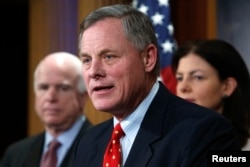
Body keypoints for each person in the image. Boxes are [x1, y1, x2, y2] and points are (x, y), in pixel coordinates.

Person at [73, 4, 240, 167]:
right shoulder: (87, 142)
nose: (93, 71)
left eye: (109, 56)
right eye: (86, 60)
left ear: (148, 58)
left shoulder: (205, 132)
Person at [0, 52, 93, 167]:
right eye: (43, 87)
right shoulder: (15, 154)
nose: (51, 97)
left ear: (83, 97)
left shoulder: (103, 148)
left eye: (63, 88)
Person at [171, 39, 250, 150]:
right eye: (180, 78)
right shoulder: (169, 140)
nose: (183, 87)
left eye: (198, 77)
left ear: (227, 87)